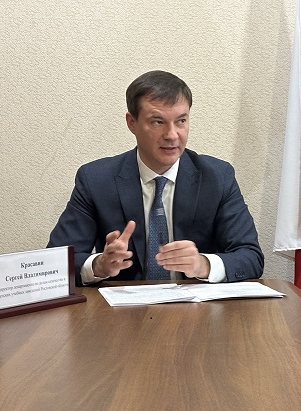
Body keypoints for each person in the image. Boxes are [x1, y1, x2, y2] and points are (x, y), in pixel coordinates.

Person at [48, 70, 264, 286]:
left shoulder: (217, 177)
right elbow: (56, 263)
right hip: (124, 305)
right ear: (132, 123)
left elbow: (251, 257)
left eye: (181, 121)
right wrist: (98, 265)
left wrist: (203, 264)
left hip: (197, 304)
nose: (172, 135)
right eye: (158, 122)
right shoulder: (96, 180)